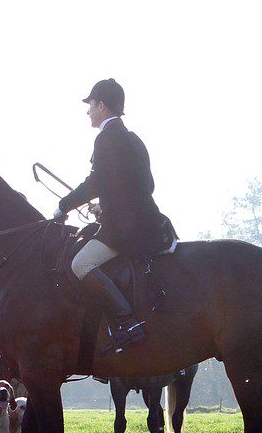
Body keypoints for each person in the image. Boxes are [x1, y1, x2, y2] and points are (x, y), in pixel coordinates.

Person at [54, 78, 174, 354]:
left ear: (103, 106)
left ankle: (126, 321)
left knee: (80, 263)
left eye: (91, 105)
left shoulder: (106, 138)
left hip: (126, 230)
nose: (88, 111)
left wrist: (63, 206)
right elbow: (144, 186)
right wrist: (105, 208)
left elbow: (95, 183)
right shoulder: (133, 139)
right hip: (146, 222)